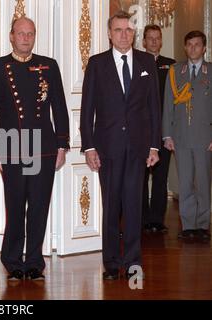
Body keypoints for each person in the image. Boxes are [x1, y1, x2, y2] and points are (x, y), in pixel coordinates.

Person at [0, 17, 70, 281]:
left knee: (40, 206)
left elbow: (59, 107)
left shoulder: (49, 66)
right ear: (11, 36)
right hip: (11, 147)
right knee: (16, 206)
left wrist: (62, 144)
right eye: (21, 33)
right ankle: (11, 259)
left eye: (30, 33)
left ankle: (34, 261)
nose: (26, 38)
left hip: (44, 147)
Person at [80, 11, 160, 281]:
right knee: (111, 206)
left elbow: (154, 109)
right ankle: (112, 263)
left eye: (128, 30)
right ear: (109, 33)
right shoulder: (97, 63)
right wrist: (89, 147)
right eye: (118, 30)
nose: (124, 34)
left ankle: (133, 261)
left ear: (134, 33)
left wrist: (154, 146)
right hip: (108, 148)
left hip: (138, 148)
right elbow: (87, 108)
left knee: (135, 206)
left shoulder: (147, 61)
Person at [163, 30, 212, 241]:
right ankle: (188, 225)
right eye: (189, 44)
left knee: (203, 181)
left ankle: (202, 225)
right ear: (185, 47)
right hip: (181, 136)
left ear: (204, 48)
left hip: (205, 138)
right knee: (184, 183)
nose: (193, 48)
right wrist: (167, 135)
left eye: (197, 45)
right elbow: (167, 106)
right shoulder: (175, 71)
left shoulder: (210, 72)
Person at [141, 25, 176, 233]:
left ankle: (157, 220)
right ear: (144, 41)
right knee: (141, 178)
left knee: (161, 178)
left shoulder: (171, 66)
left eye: (157, 38)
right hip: (142, 132)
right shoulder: (137, 62)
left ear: (161, 41)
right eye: (150, 38)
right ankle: (143, 219)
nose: (154, 42)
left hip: (164, 131)